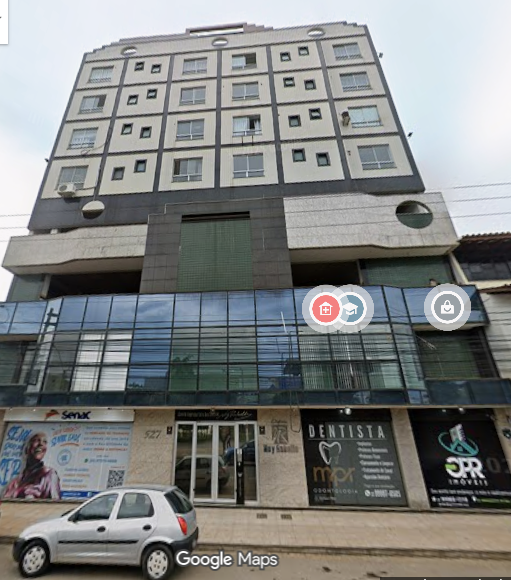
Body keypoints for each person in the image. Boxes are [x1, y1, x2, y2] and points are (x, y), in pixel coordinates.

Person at [3, 432, 61, 500]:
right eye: (36, 440)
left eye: (44, 442)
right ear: (26, 449)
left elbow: (54, 503)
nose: (41, 444)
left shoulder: (49, 474)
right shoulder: (14, 483)